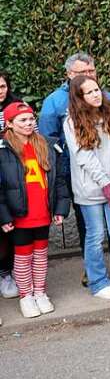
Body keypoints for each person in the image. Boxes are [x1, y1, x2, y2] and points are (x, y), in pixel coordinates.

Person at [38, 52, 110, 277]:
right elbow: (47, 140)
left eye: (90, 71)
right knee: (89, 226)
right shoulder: (54, 101)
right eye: (81, 72)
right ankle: (92, 268)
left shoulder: (107, 97)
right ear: (69, 74)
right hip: (77, 174)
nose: (87, 76)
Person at [64, 75, 110, 301]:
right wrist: (105, 182)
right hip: (90, 189)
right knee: (95, 235)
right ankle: (98, 282)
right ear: (79, 98)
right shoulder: (71, 122)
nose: (96, 95)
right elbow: (83, 157)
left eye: (97, 90)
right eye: (89, 92)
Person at [0, 101, 70, 319]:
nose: (29, 123)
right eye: (22, 120)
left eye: (31, 119)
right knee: (23, 256)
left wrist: (60, 208)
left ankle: (40, 292)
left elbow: (58, 180)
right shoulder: (4, 150)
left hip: (42, 211)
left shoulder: (46, 144)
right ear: (9, 124)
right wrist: (3, 216)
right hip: (20, 213)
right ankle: (25, 295)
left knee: (40, 254)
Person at [0, 70, 20, 299]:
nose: (0, 91)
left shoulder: (17, 107)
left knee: (10, 228)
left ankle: (9, 272)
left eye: (3, 86)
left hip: (12, 174)